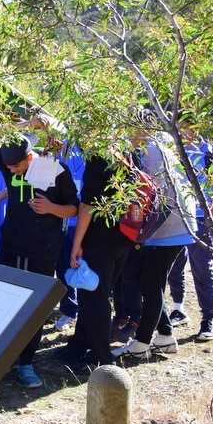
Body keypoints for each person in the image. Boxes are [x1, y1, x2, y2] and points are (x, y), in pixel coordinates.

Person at [0, 121, 79, 388]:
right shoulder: (9, 162)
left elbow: (73, 208)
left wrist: (51, 207)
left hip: (43, 250)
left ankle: (26, 363)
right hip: (10, 247)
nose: (11, 171)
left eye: (16, 167)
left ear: (30, 157)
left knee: (36, 309)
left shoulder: (55, 169)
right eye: (9, 168)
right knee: (6, 306)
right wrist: (26, 124)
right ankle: (1, 361)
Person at [113, 128, 196, 360]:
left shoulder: (153, 148)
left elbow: (152, 191)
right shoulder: (159, 142)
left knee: (150, 285)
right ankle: (166, 337)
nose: (125, 135)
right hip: (165, 228)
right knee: (146, 282)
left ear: (140, 127)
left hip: (169, 228)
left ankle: (141, 344)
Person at [60, 150, 135, 371]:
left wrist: (76, 244)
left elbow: (87, 206)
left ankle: (102, 357)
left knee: (95, 297)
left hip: (100, 240)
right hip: (123, 237)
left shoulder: (97, 158)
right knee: (94, 294)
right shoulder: (127, 154)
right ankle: (79, 344)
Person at [166, 113, 213, 341]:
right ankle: (178, 309)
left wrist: (211, 216)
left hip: (201, 219)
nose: (182, 132)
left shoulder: (210, 153)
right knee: (174, 265)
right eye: (179, 127)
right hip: (177, 217)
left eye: (186, 127)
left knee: (202, 268)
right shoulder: (173, 152)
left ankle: (208, 319)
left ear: (197, 127)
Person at [54, 141, 86, 331]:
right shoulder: (65, 149)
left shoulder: (98, 150)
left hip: (85, 219)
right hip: (64, 218)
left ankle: (86, 311)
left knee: (84, 266)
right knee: (64, 266)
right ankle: (69, 310)